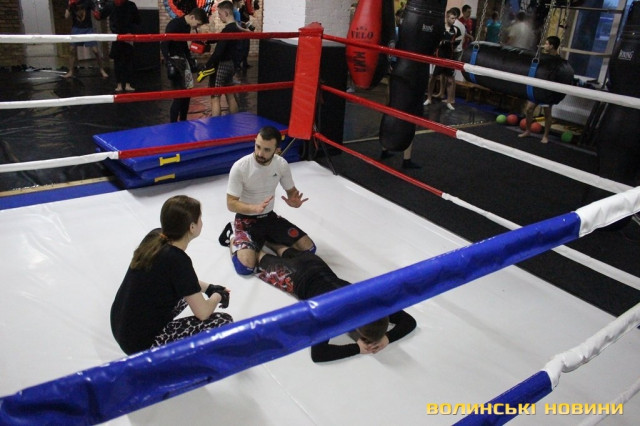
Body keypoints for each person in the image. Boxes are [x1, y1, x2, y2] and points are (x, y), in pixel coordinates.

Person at [111, 195, 233, 355]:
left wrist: (209, 288)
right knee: (223, 322)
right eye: (200, 218)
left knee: (186, 293)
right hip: (140, 345)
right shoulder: (178, 260)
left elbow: (181, 280)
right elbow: (203, 313)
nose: (202, 222)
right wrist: (218, 296)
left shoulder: (154, 237)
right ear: (192, 227)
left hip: (120, 326)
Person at [256, 244, 416, 362]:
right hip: (294, 276)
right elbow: (318, 354)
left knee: (282, 249)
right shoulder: (330, 313)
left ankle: (274, 242)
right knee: (257, 258)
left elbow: (409, 321)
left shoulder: (371, 299)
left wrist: (387, 337)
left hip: (315, 263)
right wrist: (357, 348)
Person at [220, 125, 315, 275]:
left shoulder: (281, 164)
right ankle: (233, 237)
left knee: (309, 249)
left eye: (266, 150)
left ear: (277, 150)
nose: (260, 153)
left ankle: (270, 242)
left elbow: (291, 191)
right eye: (258, 146)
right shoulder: (240, 167)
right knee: (245, 268)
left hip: (269, 218)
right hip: (245, 220)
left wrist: (294, 200)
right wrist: (253, 208)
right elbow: (231, 203)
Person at [380, 7, 420, 169]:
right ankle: (406, 159)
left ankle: (385, 149)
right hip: (405, 75)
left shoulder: (396, 33)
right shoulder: (407, 34)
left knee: (390, 109)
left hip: (396, 74)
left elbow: (388, 53)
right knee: (407, 113)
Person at [160, 7, 208, 122]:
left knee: (187, 93)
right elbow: (164, 43)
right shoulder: (174, 24)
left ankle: (183, 121)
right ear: (192, 17)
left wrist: (190, 60)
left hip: (183, 61)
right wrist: (168, 61)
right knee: (179, 95)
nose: (197, 27)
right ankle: (173, 123)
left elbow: (183, 46)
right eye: (198, 24)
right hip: (175, 60)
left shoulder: (187, 26)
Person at [518, 36, 561, 144]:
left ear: (552, 46)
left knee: (547, 113)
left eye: (546, 44)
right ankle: (528, 131)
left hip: (547, 91)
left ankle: (545, 136)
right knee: (529, 109)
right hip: (537, 88)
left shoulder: (558, 61)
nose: (544, 46)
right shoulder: (543, 57)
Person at [201, 1, 241, 116]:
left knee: (215, 97)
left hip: (221, 66)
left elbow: (218, 52)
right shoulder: (236, 27)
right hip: (231, 65)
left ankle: (216, 125)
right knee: (230, 95)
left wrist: (206, 65)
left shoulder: (227, 30)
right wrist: (210, 40)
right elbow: (224, 40)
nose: (219, 16)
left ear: (226, 13)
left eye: (220, 13)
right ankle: (236, 121)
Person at [424, 9, 461, 111]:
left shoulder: (456, 30)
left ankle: (449, 101)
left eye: (455, 18)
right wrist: (440, 43)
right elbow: (434, 40)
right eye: (452, 18)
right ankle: (429, 98)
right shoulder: (440, 28)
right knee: (433, 77)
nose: (454, 20)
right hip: (439, 56)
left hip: (449, 56)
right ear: (447, 17)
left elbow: (457, 42)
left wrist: (451, 44)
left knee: (450, 79)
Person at [63, 0, 109, 79]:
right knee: (72, 50)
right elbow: (66, 16)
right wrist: (69, 6)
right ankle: (70, 71)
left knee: (96, 51)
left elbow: (97, 11)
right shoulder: (72, 3)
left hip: (88, 28)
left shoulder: (88, 1)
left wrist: (98, 12)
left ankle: (101, 69)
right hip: (76, 28)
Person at [108, 0, 140, 92]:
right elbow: (110, 20)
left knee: (128, 61)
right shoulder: (112, 5)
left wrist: (131, 32)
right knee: (118, 61)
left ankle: (127, 84)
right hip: (117, 37)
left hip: (128, 36)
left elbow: (137, 20)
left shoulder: (131, 5)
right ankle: (119, 84)